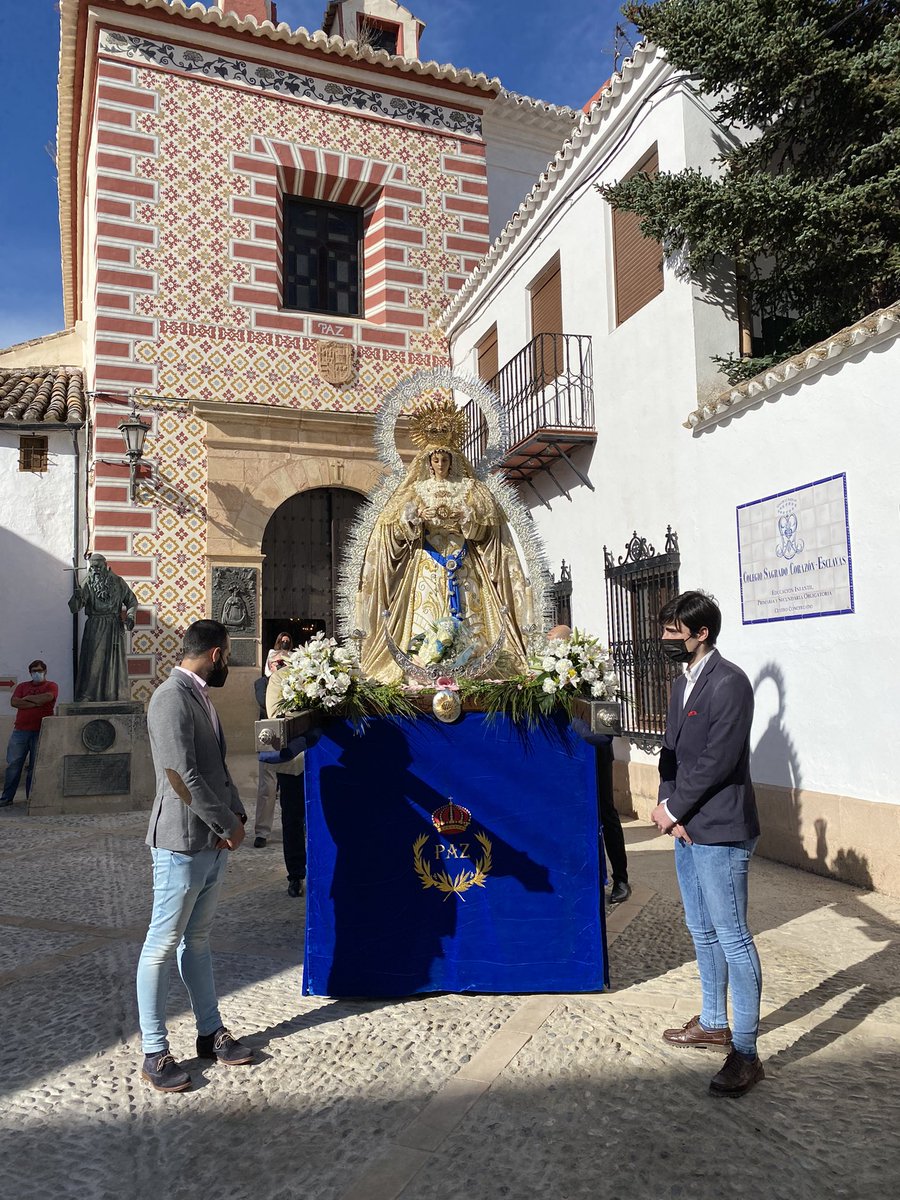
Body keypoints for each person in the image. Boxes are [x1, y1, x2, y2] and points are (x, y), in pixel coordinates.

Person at [651, 591, 763, 1098]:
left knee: (733, 936)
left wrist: (674, 810)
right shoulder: (683, 684)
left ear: (702, 634)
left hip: (721, 829)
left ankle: (745, 1051)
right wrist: (670, 812)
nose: (667, 639)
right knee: (701, 929)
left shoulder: (730, 683)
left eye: (676, 630)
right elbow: (670, 756)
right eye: (665, 629)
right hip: (687, 829)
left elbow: (718, 761)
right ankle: (714, 1021)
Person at [135, 619, 252, 1093]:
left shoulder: (200, 696)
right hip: (182, 842)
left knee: (197, 941)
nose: (230, 664)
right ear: (217, 654)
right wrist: (228, 824)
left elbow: (215, 767)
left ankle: (210, 1033)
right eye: (229, 656)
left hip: (211, 843)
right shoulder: (169, 698)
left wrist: (236, 813)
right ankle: (155, 1051)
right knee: (161, 944)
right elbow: (182, 777)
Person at [355, 395, 534, 683]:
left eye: (444, 458)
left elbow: (486, 532)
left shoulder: (470, 488)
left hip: (464, 563)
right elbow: (395, 529)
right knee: (423, 615)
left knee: (473, 615)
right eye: (435, 459)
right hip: (427, 563)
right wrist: (414, 519)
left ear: (453, 460)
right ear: (427, 461)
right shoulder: (416, 490)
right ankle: (424, 668)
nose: (439, 463)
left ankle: (474, 667)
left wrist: (468, 518)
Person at [550, 625, 631, 907]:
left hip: (596, 758)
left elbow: (607, 732)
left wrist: (578, 720)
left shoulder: (598, 680)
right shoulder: (547, 685)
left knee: (606, 814)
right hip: (565, 762)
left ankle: (621, 878)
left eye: (557, 646)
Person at [68, 553, 138, 701]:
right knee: (94, 660)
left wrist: (130, 616)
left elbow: (131, 600)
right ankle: (89, 695)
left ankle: (115, 695)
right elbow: (74, 608)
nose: (95, 571)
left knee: (114, 662)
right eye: (92, 568)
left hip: (114, 625)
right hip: (95, 625)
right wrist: (77, 596)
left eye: (98, 567)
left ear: (105, 566)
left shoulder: (118, 582)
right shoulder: (87, 582)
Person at [1, 660, 58, 807]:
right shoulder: (22, 686)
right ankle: (7, 798)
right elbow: (14, 702)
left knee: (35, 766)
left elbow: (48, 698)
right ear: (30, 672)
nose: (36, 673)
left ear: (45, 671)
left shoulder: (51, 685)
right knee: (13, 764)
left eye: (39, 670)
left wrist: (25, 700)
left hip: (40, 731)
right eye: (34, 671)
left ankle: (30, 798)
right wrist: (36, 702)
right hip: (20, 731)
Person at [252, 671, 277, 848]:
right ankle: (262, 832)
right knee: (267, 787)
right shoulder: (262, 683)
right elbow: (264, 702)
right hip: (269, 737)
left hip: (293, 738)